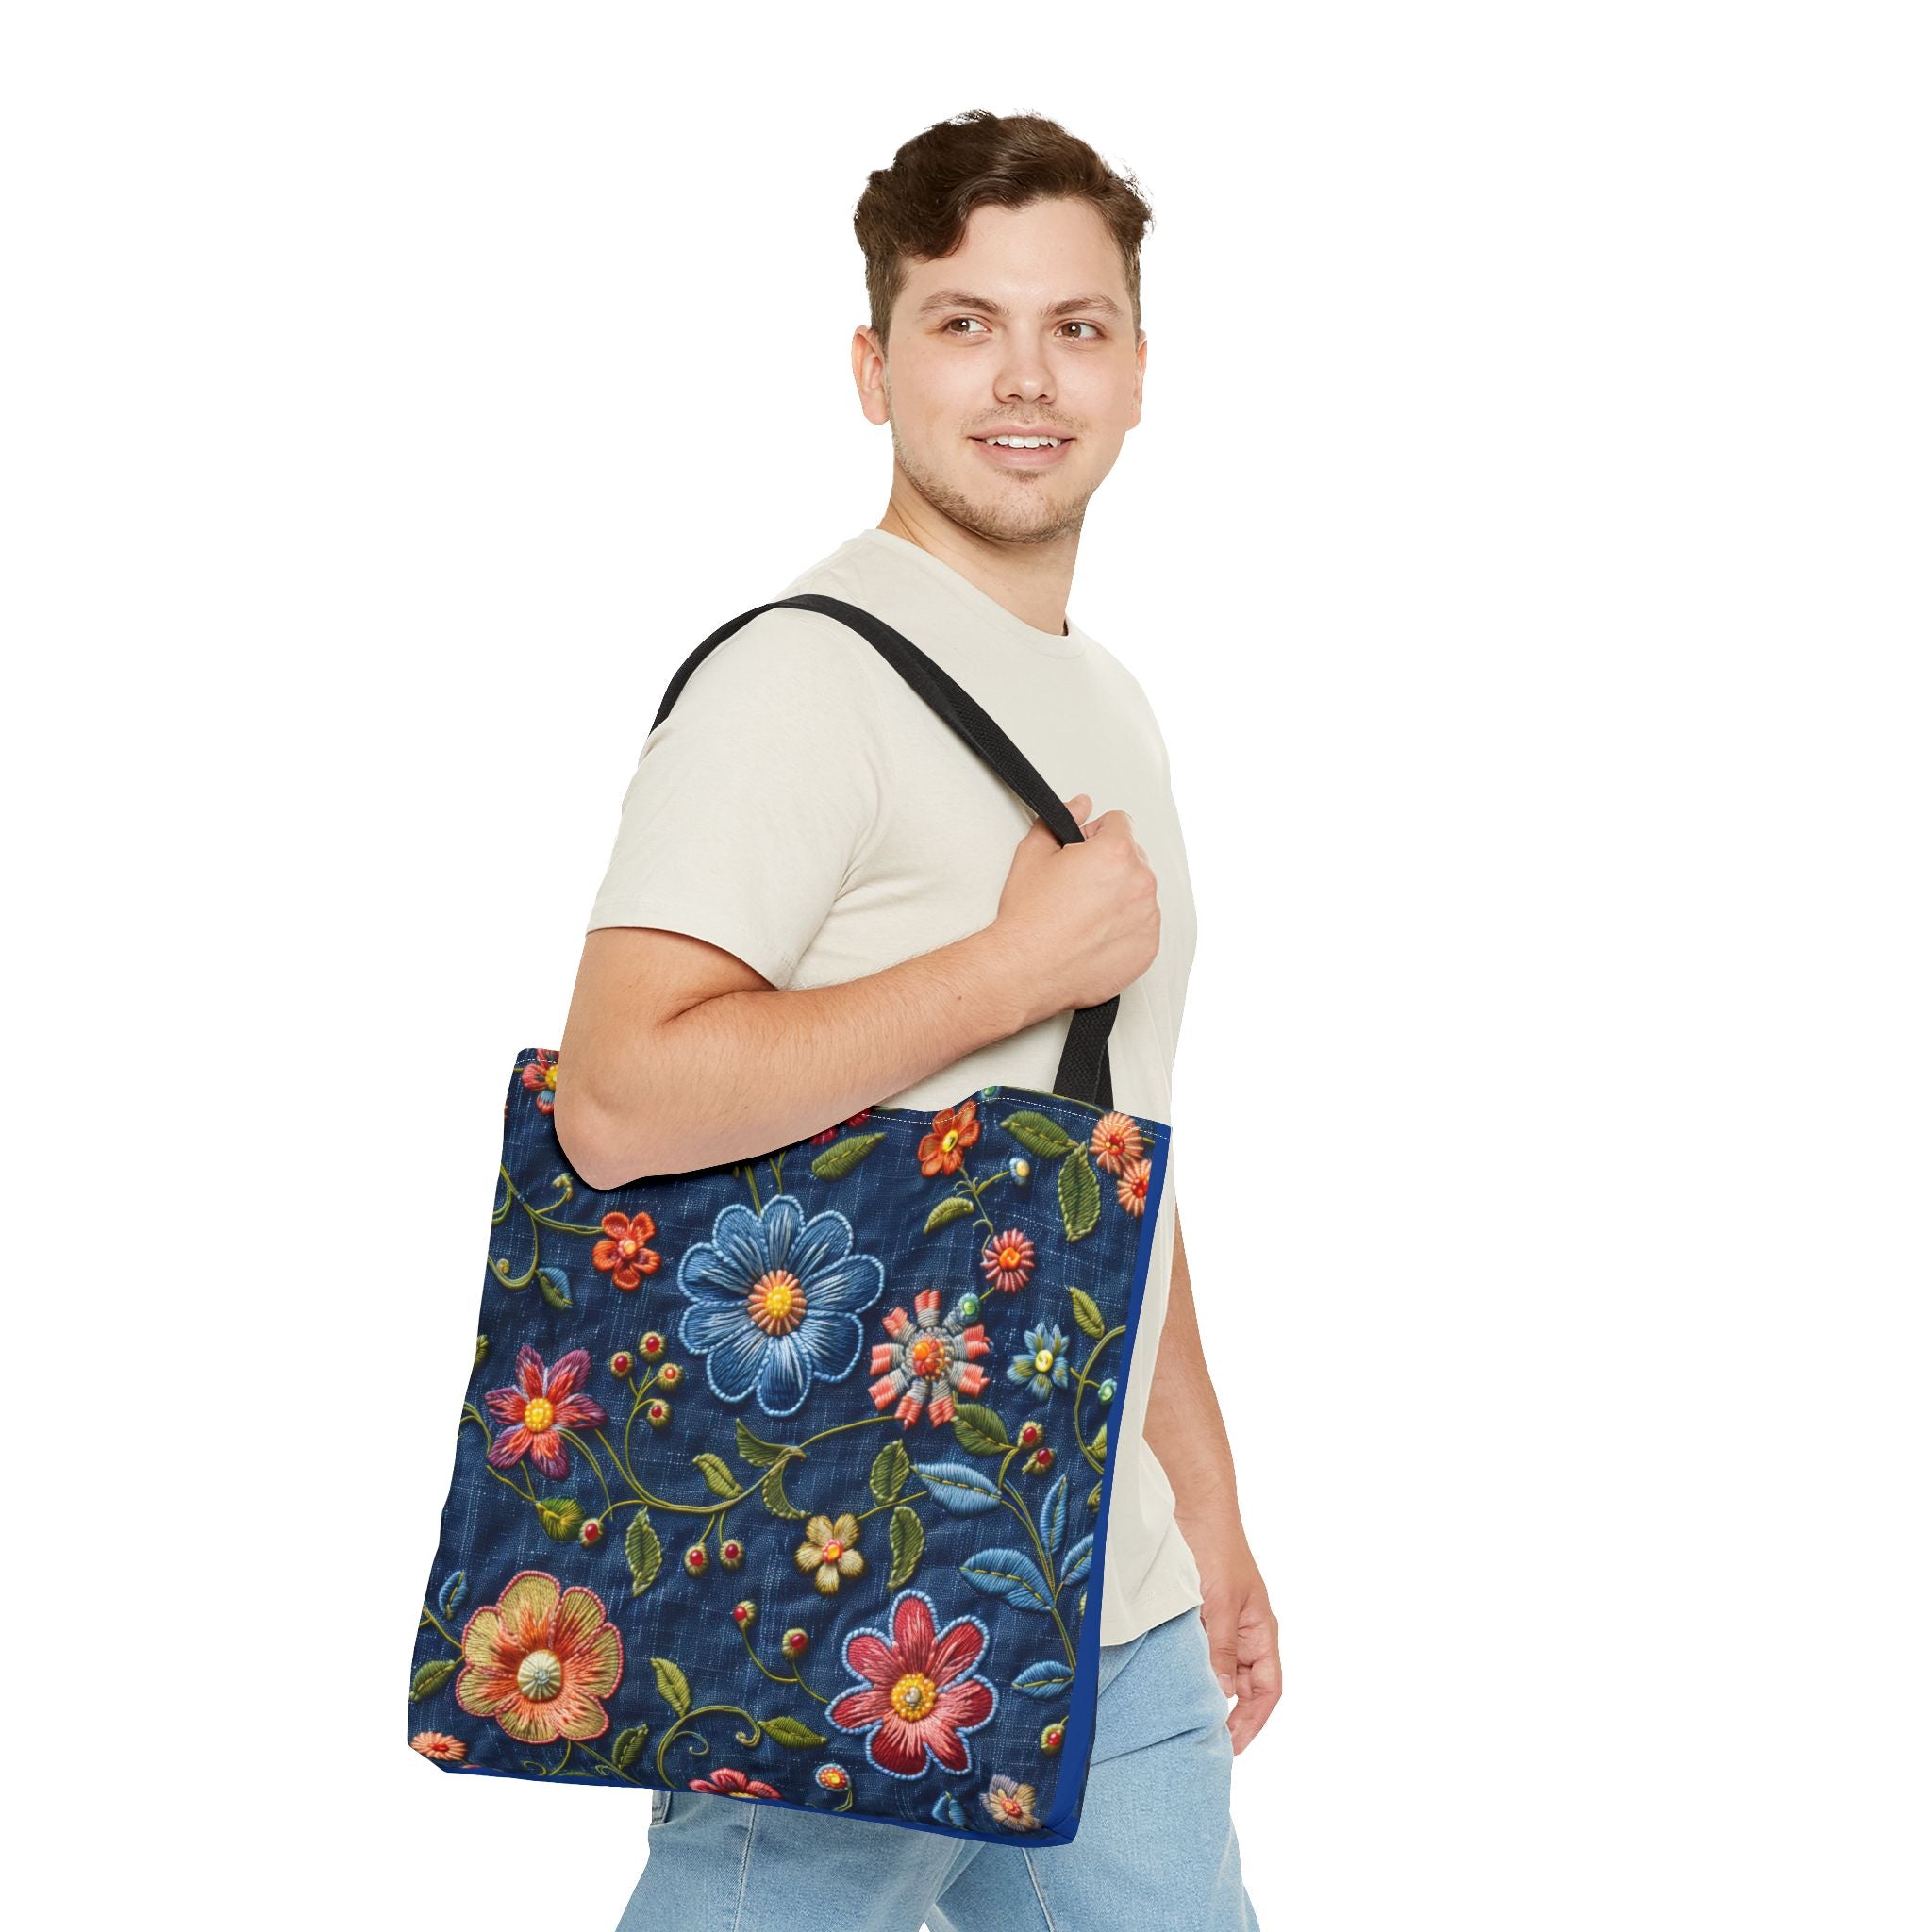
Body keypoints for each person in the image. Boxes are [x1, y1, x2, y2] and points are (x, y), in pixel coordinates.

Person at [556, 108, 1275, 1931]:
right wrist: (1009, 969)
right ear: (874, 369)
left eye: (1076, 327)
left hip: (1113, 1606)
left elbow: (1107, 1143)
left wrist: (1203, 1509)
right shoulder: (798, 680)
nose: (1026, 378)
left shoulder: (1109, 700)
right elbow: (618, 1100)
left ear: (1137, 371)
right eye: (966, 324)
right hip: (857, 1597)